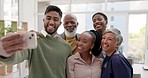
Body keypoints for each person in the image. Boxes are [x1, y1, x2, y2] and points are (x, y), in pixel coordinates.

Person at [0, 5, 72, 78]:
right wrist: (5, 53)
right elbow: (18, 56)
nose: (51, 22)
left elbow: (68, 72)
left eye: (55, 19)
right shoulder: (35, 41)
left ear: (60, 23)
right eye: (48, 18)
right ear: (43, 20)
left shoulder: (66, 47)